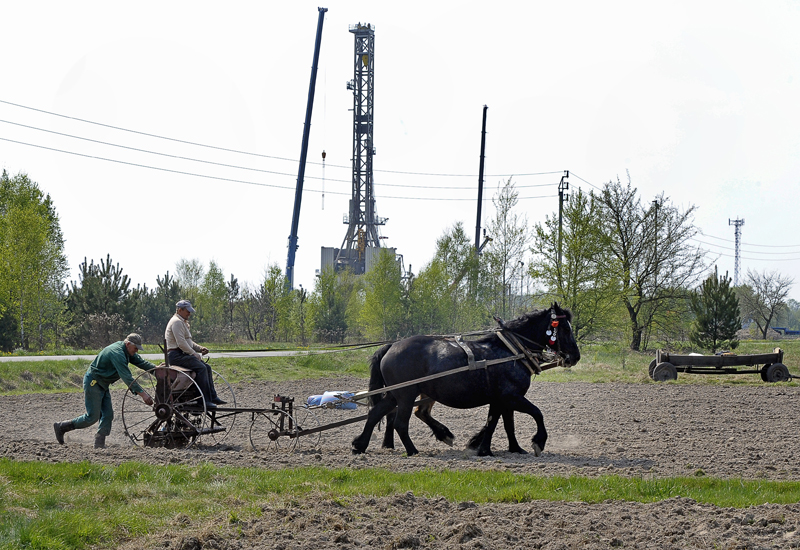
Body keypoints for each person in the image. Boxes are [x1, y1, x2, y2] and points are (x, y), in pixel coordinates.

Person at [54, 333, 155, 449]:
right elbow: (127, 377)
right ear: (128, 344)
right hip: (94, 382)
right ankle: (61, 427)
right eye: (136, 348)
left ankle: (99, 444)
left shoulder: (126, 350)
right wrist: (142, 394)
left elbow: (141, 362)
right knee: (92, 417)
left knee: (108, 415)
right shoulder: (117, 353)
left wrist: (156, 370)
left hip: (103, 384)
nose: (137, 351)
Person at [165, 299, 224, 408]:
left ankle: (212, 396)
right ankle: (203, 400)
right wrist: (193, 354)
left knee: (207, 367)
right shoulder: (176, 322)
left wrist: (200, 348)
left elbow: (188, 342)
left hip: (181, 354)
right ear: (180, 310)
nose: (189, 313)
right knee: (201, 368)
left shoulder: (182, 322)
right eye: (187, 311)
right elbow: (181, 343)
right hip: (175, 356)